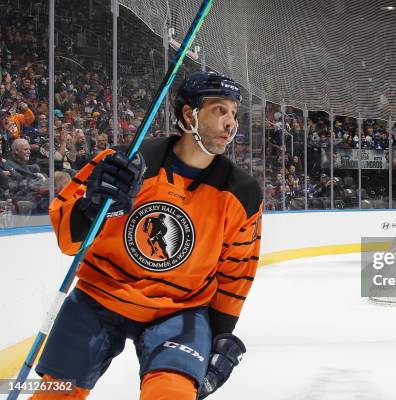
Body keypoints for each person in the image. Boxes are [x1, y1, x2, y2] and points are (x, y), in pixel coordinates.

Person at [34, 71, 263, 399]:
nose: (231, 123)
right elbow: (67, 239)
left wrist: (217, 337)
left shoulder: (242, 192)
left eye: (234, 113)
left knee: (171, 392)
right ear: (189, 114)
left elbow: (236, 273)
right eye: (220, 110)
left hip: (180, 310)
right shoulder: (124, 163)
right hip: (99, 296)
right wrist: (92, 208)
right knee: (53, 394)